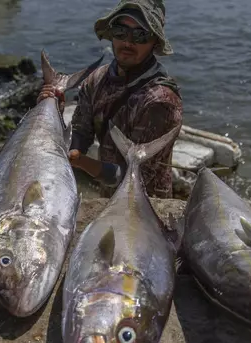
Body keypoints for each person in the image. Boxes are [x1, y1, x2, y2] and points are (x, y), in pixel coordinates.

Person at [38, 0, 183, 198]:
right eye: (120, 31)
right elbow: (81, 130)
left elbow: (136, 178)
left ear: (154, 42)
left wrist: (82, 162)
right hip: (107, 199)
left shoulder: (160, 102)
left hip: (147, 209)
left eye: (140, 35)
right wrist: (55, 113)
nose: (128, 43)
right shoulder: (96, 79)